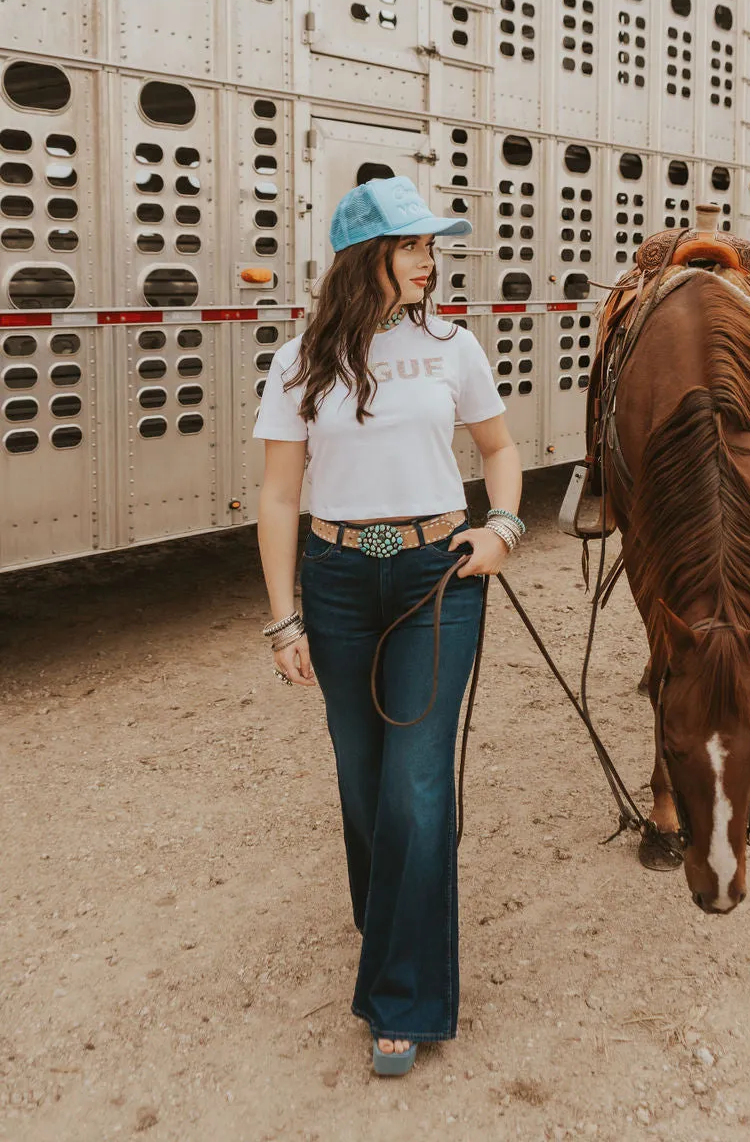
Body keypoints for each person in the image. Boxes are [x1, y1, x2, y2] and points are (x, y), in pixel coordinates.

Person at [252, 175, 523, 1077]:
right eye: (414, 247)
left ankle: (402, 999)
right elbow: (280, 494)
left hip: (432, 577)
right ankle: (394, 929)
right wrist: (283, 619)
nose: (430, 260)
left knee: (415, 786)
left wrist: (503, 527)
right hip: (333, 582)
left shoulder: (453, 347)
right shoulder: (298, 361)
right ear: (371, 258)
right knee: (365, 789)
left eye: (431, 246)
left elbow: (501, 450)